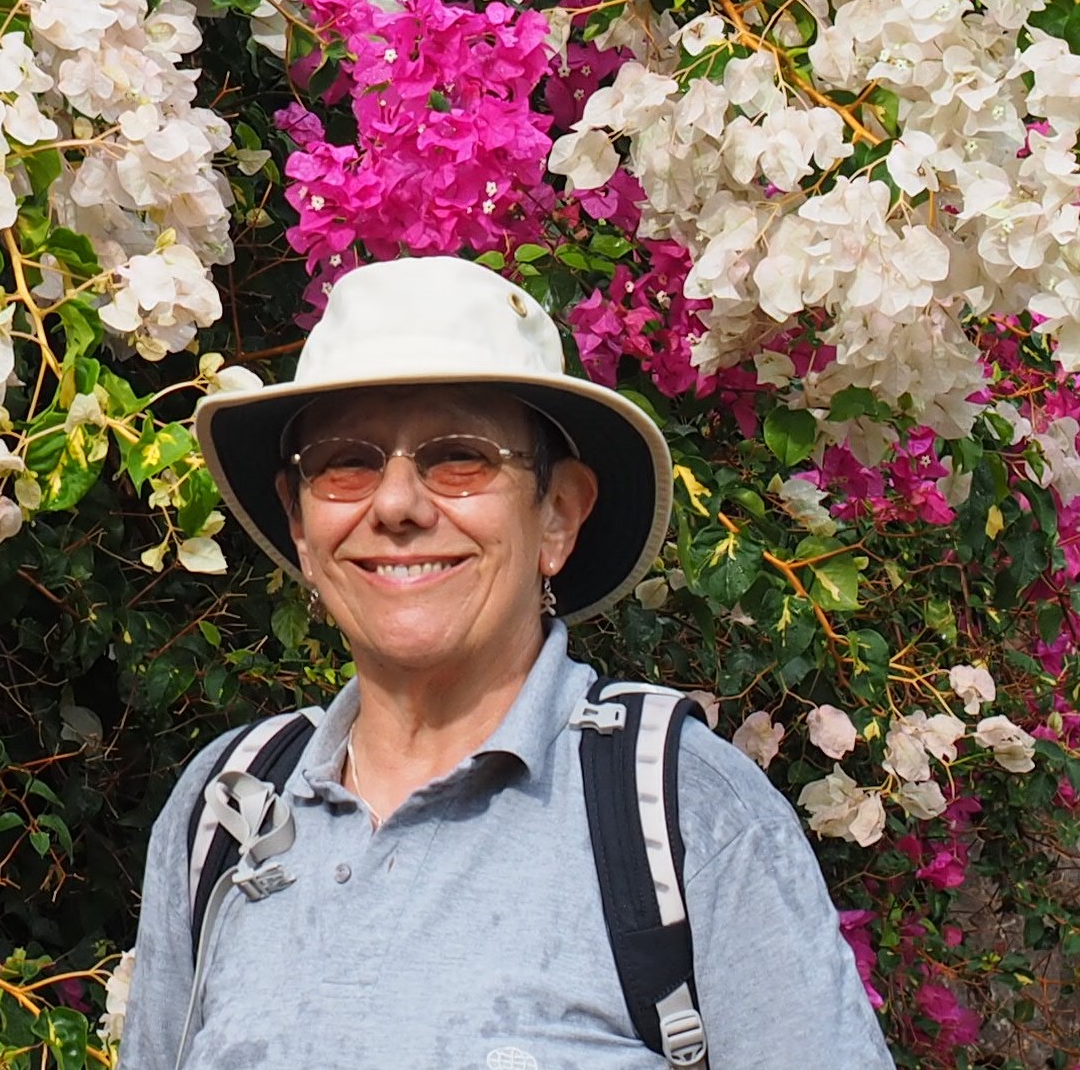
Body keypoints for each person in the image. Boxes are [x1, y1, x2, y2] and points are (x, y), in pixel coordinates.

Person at [119, 256, 896, 1069]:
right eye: (346, 463)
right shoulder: (227, 807)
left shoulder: (680, 808)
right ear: (300, 528)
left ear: (557, 515)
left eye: (460, 457)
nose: (396, 506)